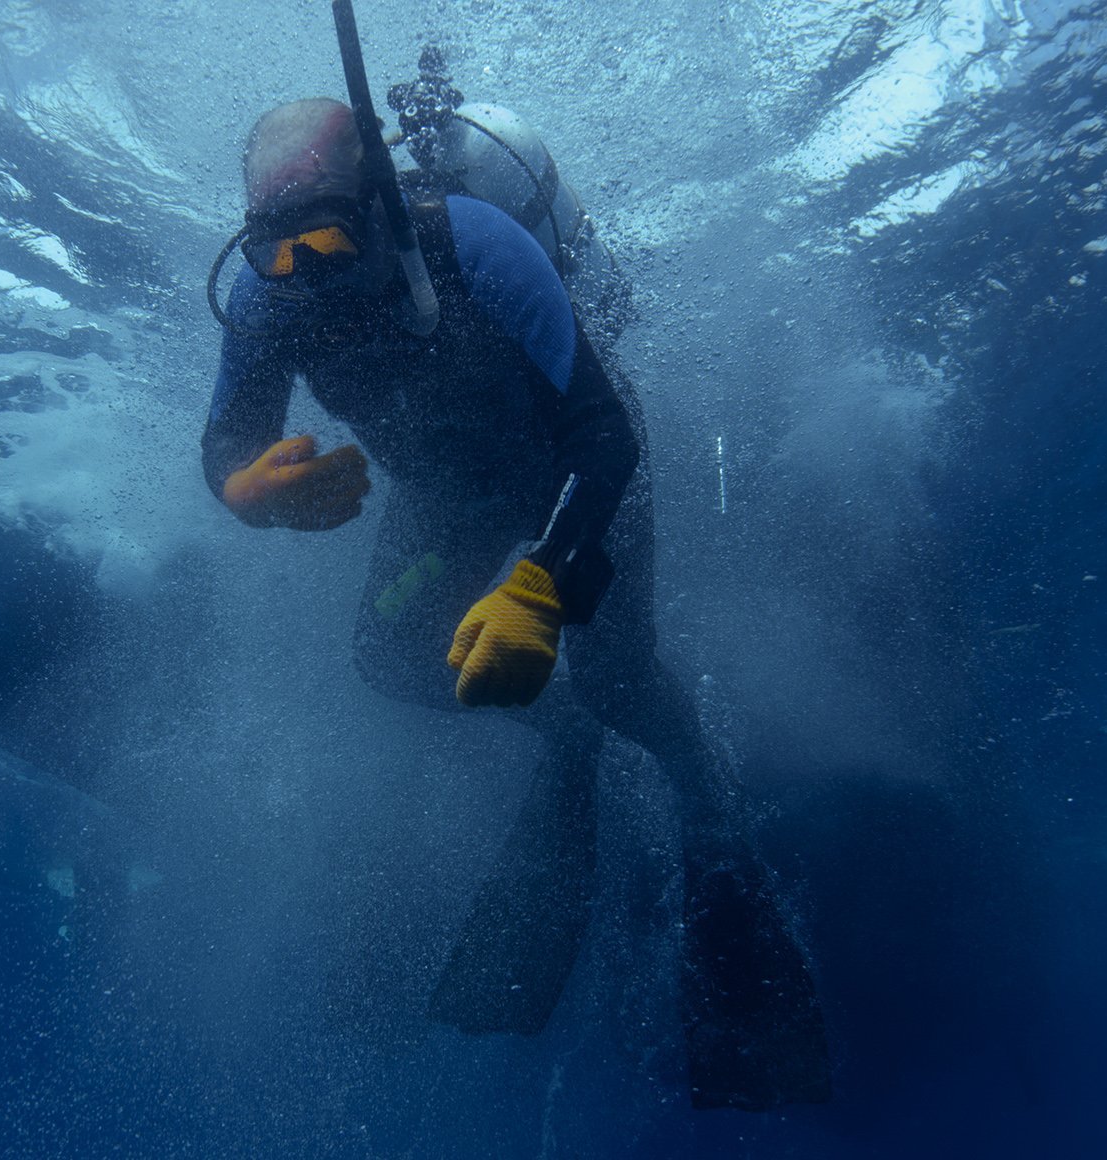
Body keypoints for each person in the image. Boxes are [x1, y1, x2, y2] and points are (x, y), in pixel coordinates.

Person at [201, 97, 829, 1111]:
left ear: (378, 204)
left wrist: (541, 577)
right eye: (274, 249)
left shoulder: (471, 242)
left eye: (322, 236)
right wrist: (245, 489)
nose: (303, 271)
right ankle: (568, 740)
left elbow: (605, 433)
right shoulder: (267, 293)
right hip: (447, 497)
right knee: (388, 657)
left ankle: (697, 787)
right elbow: (225, 439)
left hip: (573, 476)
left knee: (618, 673)